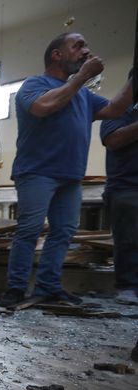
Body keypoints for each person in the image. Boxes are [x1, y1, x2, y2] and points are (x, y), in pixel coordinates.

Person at [0, 32, 134, 308]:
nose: (85, 50)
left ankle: (48, 287)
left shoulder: (84, 94)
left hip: (70, 176)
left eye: (86, 45)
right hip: (37, 172)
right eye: (78, 46)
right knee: (30, 230)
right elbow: (43, 106)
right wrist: (82, 76)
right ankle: (15, 289)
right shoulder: (35, 84)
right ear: (57, 55)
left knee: (63, 232)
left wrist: (134, 78)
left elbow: (116, 110)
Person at [99, 71, 138, 305]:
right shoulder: (120, 109)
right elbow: (113, 140)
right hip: (126, 187)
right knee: (129, 239)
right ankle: (127, 286)